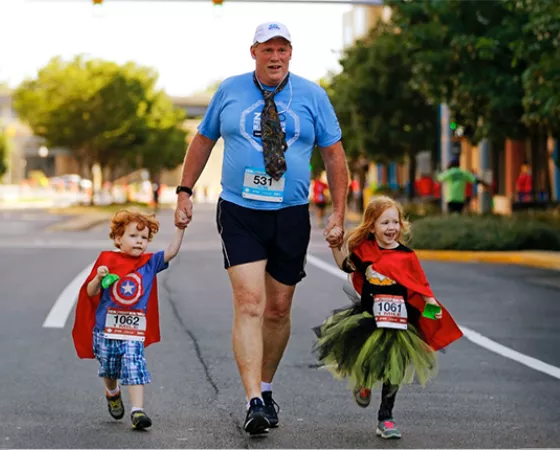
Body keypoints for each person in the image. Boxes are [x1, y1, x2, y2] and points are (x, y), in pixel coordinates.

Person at [174, 21, 348, 435]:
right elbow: (202, 140)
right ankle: (253, 399)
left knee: (278, 308)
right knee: (250, 302)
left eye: (282, 49)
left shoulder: (312, 95)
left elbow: (335, 156)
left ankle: (266, 387)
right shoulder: (230, 90)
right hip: (239, 210)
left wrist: (339, 212)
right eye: (267, 49)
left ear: (291, 53)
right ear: (253, 52)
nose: (275, 57)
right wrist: (184, 190)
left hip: (290, 213)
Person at [315, 196, 462, 439]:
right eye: (384, 223)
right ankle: (363, 383)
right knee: (369, 359)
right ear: (371, 226)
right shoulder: (365, 251)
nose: (391, 228)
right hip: (369, 318)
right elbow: (347, 266)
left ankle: (386, 418)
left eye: (395, 222)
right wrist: (335, 245)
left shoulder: (407, 256)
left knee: (395, 368)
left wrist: (430, 322)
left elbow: (423, 290)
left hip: (399, 322)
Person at [72, 209, 185, 430]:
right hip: (105, 329)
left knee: (134, 364)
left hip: (132, 330)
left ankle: (137, 410)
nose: (139, 241)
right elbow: (91, 291)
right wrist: (98, 277)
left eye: (144, 238)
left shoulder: (149, 262)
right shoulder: (107, 260)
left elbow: (171, 252)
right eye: (133, 236)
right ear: (118, 239)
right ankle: (112, 392)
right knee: (109, 369)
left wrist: (180, 228)